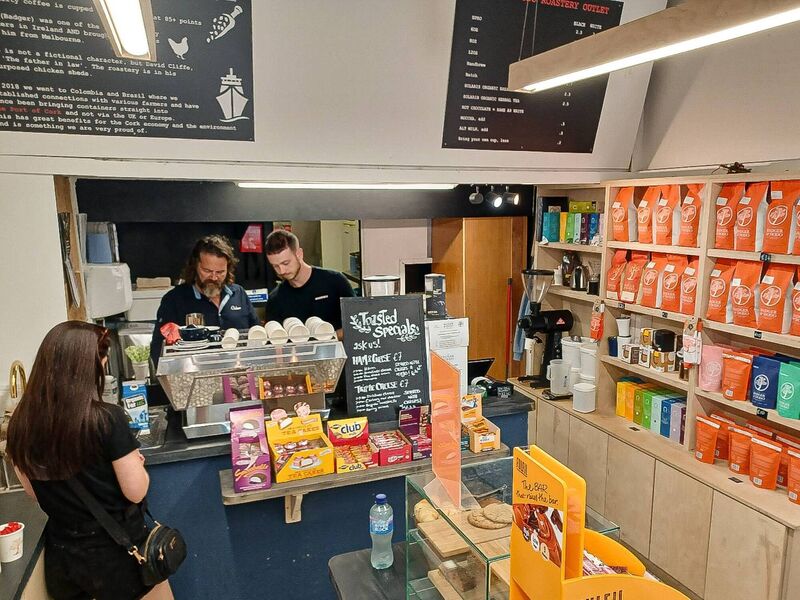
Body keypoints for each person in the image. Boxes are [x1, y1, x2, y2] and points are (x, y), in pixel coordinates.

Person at [6, 321, 173, 600]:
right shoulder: (106, 419)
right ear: (92, 366)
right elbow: (136, 490)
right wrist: (138, 465)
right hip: (118, 559)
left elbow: (33, 492)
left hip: (65, 563)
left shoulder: (20, 424)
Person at [150, 235, 259, 364]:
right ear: (195, 265)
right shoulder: (174, 300)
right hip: (196, 377)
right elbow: (158, 351)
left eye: (220, 272)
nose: (213, 277)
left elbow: (257, 334)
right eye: (207, 270)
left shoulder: (238, 293)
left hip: (239, 375)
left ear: (228, 269)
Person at [264, 229, 355, 335]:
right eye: (276, 266)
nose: (282, 271)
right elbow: (276, 342)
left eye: (286, 263)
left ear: (299, 254)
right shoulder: (276, 299)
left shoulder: (335, 282)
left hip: (339, 350)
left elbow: (356, 324)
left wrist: (331, 338)